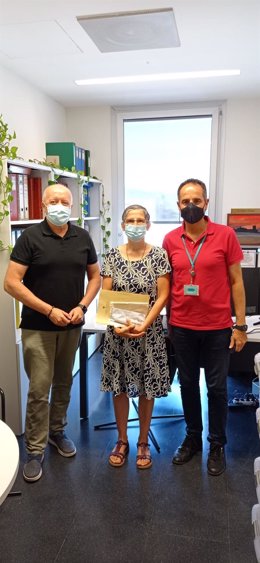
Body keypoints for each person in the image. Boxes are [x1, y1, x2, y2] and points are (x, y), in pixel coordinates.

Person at [4, 183, 101, 482]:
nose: (59, 205)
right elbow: (11, 282)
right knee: (38, 388)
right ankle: (34, 449)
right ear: (43, 205)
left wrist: (83, 306)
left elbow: (95, 276)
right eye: (53, 201)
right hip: (38, 327)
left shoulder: (82, 237)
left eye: (64, 201)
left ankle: (57, 432)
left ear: (72, 205)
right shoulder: (31, 237)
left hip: (72, 325)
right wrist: (48, 310)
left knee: (63, 383)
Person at [163, 178, 247, 476]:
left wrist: (240, 325)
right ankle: (193, 438)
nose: (191, 206)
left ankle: (217, 444)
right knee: (186, 385)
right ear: (178, 205)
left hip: (217, 328)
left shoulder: (225, 236)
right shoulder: (170, 240)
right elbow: (166, 285)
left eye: (196, 201)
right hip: (182, 327)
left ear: (206, 203)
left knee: (217, 388)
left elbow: (237, 282)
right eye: (185, 201)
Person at [100, 204, 171, 469]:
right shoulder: (111, 256)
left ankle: (142, 441)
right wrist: (116, 324)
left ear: (148, 225)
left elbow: (163, 293)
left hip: (148, 334)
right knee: (118, 387)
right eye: (130, 220)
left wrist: (145, 324)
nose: (135, 224)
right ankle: (121, 439)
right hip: (117, 333)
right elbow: (106, 295)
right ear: (122, 225)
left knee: (146, 387)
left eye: (140, 220)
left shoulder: (159, 255)